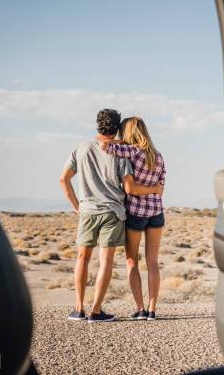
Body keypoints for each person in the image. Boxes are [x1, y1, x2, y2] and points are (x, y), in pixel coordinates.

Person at [59, 109, 163, 323]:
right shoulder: (123, 152)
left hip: (88, 210)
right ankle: (96, 311)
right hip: (114, 212)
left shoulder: (81, 148)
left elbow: (64, 180)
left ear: (97, 124)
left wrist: (77, 206)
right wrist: (153, 189)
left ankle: (79, 309)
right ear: (116, 128)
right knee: (107, 261)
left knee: (83, 258)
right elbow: (129, 186)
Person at [101, 117, 166, 321]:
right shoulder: (158, 156)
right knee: (153, 262)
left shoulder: (132, 151)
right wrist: (153, 190)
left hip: (135, 213)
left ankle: (140, 309)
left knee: (132, 262)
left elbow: (104, 145)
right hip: (156, 212)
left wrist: (123, 142)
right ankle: (152, 309)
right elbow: (161, 188)